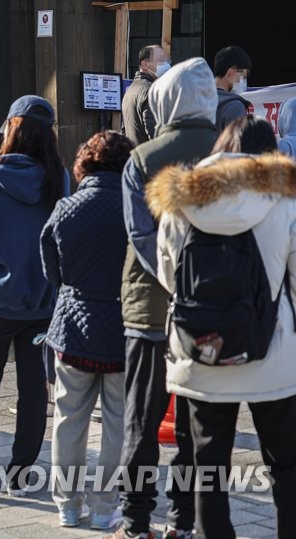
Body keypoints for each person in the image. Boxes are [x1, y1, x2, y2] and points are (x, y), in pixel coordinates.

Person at [148, 116, 296, 538]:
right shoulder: (285, 199)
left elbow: (169, 275)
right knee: (286, 467)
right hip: (274, 355)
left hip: (201, 352)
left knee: (207, 470)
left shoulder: (181, 199)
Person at [113, 57, 217, 539]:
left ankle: (135, 521)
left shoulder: (143, 158)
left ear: (164, 99)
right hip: (210, 311)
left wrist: (171, 281)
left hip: (149, 309)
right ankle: (183, 521)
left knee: (142, 418)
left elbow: (139, 235)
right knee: (197, 424)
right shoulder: (230, 153)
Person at [0, 95, 68, 499]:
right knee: (34, 389)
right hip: (44, 303)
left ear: (12, 129)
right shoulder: (61, 179)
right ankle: (23, 475)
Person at [41, 131, 134, 530]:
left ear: (85, 165)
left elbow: (51, 271)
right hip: (122, 327)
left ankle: (66, 504)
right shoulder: (138, 209)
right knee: (117, 422)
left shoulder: (66, 208)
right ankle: (104, 506)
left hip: (74, 326)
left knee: (68, 418)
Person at [121, 45, 170, 144]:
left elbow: (124, 131)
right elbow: (155, 134)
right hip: (150, 156)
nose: (166, 65)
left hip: (136, 155)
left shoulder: (130, 90)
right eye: (161, 60)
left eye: (167, 61)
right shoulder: (150, 90)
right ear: (145, 64)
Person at [212, 46, 252, 133]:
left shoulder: (196, 102)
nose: (243, 81)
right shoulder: (234, 107)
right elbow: (238, 144)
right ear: (231, 72)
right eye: (242, 77)